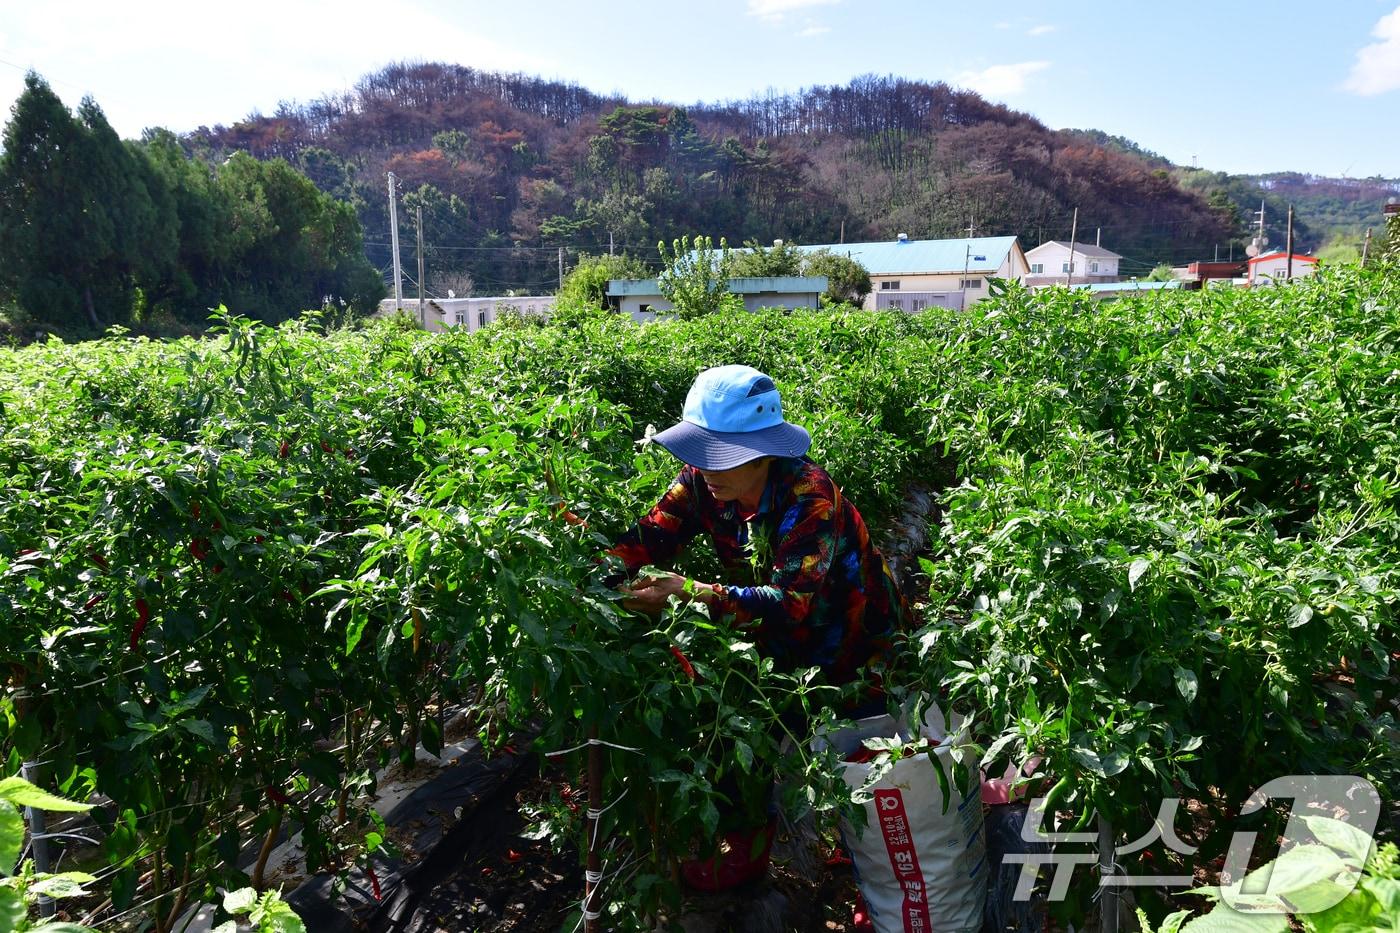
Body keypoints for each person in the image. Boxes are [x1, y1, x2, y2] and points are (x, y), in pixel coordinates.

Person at [605, 364, 911, 892]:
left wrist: (687, 592)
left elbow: (789, 603)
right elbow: (649, 537)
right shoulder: (702, 483)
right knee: (740, 738)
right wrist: (594, 580)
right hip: (776, 644)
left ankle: (881, 878)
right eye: (700, 452)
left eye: (721, 455)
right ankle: (747, 855)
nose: (705, 467)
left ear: (765, 453)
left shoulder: (809, 497)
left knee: (865, 765)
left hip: (855, 643)